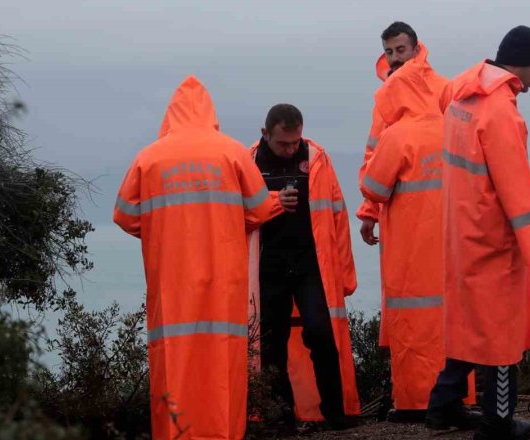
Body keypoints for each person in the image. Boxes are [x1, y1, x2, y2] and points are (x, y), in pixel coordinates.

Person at [113, 76, 287, 440]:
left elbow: (125, 216)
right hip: (223, 283)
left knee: (173, 362)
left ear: (171, 114)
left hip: (171, 284)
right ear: (210, 113)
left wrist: (163, 231)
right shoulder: (232, 152)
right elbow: (259, 209)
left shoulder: (149, 157)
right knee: (222, 362)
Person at [426, 26, 530, 440]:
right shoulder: (501, 112)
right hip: (492, 239)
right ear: (522, 63)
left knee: (467, 323)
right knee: (500, 334)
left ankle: (443, 405)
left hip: (459, 230)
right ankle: (498, 423)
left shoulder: (462, 95)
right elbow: (516, 187)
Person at [359, 59, 477, 426]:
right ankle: (457, 398)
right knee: (452, 323)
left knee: (412, 328)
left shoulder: (398, 134)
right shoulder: (453, 127)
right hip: (452, 247)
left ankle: (414, 402)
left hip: (409, 252)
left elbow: (373, 187)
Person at [248, 104, 360, 431]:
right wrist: (274, 203)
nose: (290, 149)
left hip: (310, 265)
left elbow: (338, 217)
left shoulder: (316, 158)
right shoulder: (249, 161)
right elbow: (237, 214)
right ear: (265, 134)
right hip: (268, 266)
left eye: (295, 142)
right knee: (272, 344)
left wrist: (345, 274)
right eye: (283, 143)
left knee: (321, 334)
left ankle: (336, 414)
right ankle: (280, 419)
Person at [356, 21, 450, 367]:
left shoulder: (441, 89)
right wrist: (370, 212)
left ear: (416, 48)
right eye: (389, 52)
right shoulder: (389, 94)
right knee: (417, 300)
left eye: (400, 50)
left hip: (425, 213)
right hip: (404, 210)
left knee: (420, 298)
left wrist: (372, 202)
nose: (395, 57)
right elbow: (374, 157)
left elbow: (377, 168)